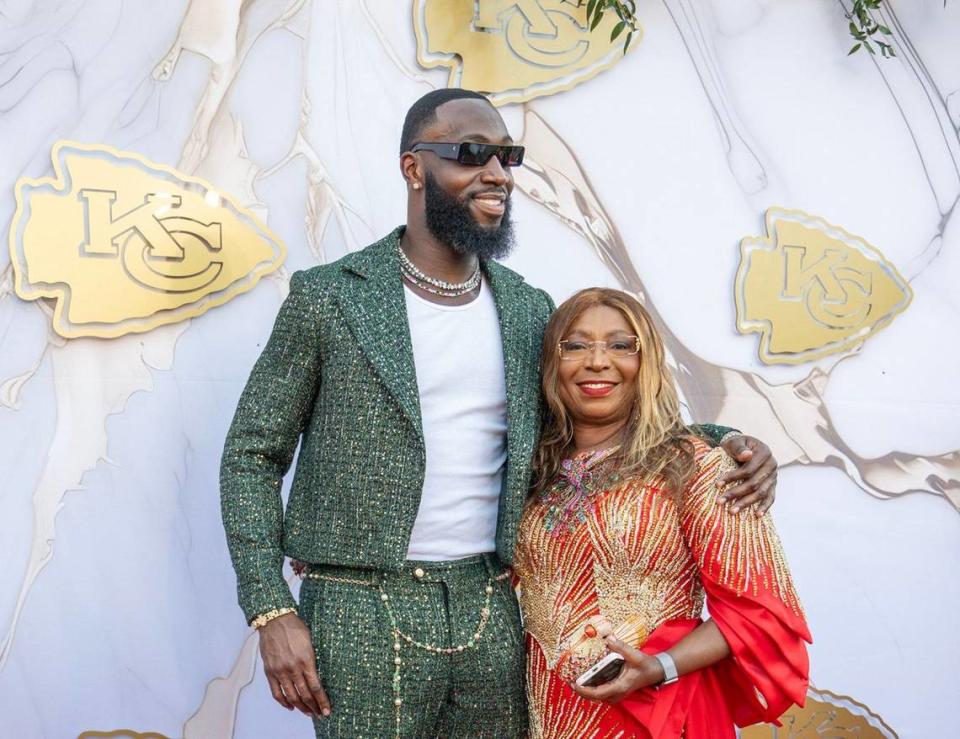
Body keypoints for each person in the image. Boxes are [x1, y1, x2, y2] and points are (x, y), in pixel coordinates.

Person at [220, 88, 779, 739]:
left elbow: (583, 428)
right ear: (413, 168)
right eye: (471, 153)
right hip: (357, 605)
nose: (496, 174)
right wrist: (270, 608)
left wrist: (721, 439)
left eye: (506, 157)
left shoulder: (526, 307)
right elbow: (251, 455)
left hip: (492, 604)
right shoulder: (329, 298)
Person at [514, 288, 811, 739]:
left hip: (656, 713)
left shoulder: (697, 464)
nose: (597, 361)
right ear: (551, 363)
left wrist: (658, 667)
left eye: (620, 345)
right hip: (539, 712)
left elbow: (760, 614)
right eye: (575, 345)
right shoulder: (525, 470)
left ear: (647, 362)